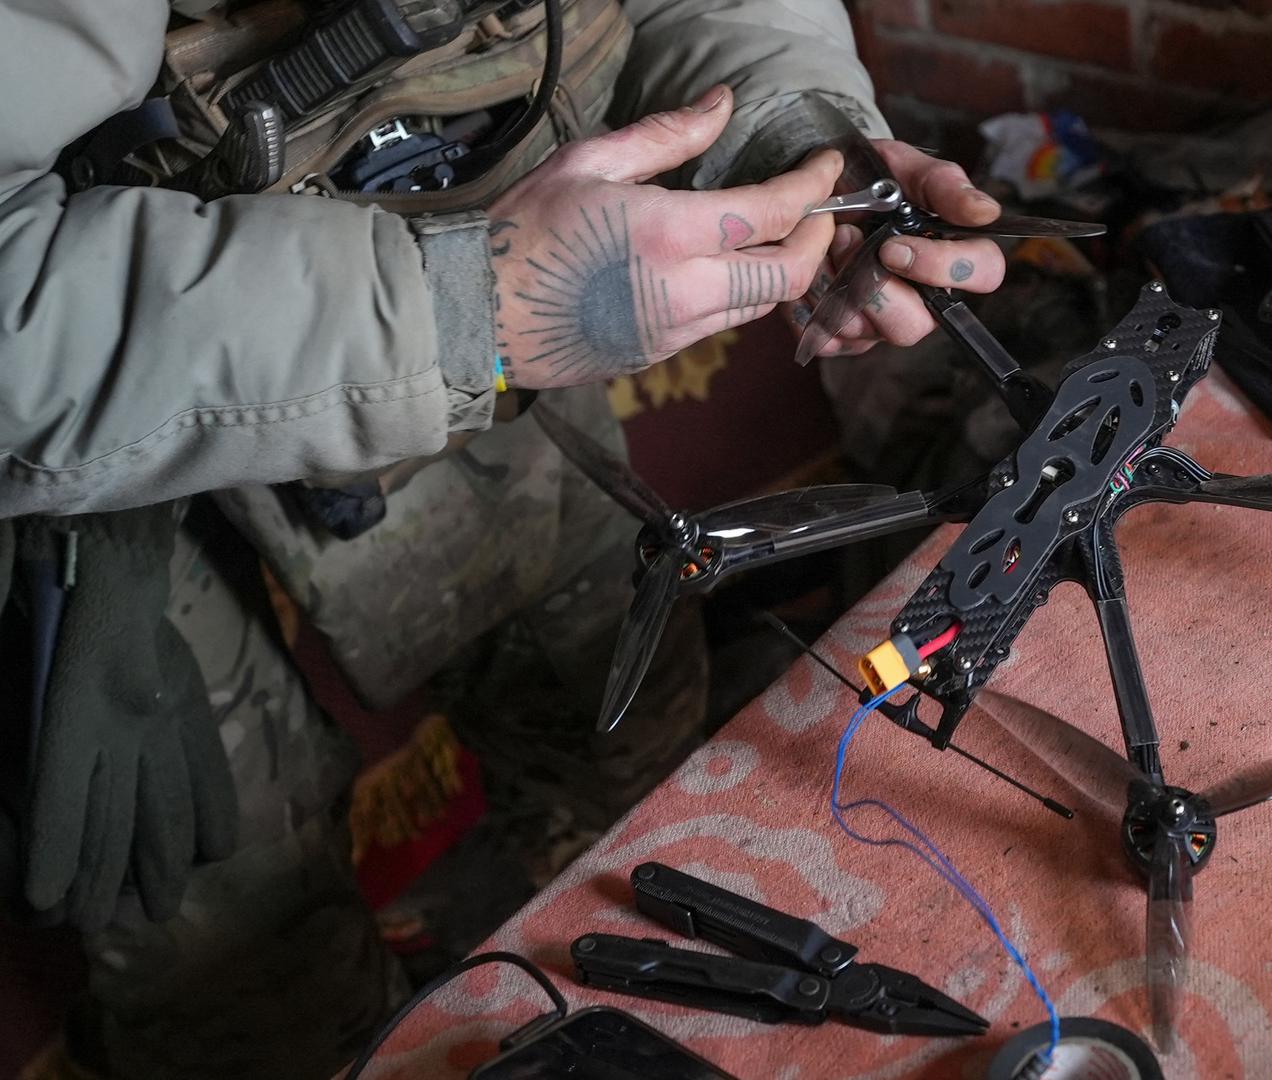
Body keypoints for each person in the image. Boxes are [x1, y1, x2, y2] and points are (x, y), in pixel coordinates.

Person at [0, 1, 1008, 1077]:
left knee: (641, 796)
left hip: (504, 291)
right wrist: (452, 311)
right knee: (250, 988)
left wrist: (788, 140)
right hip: (108, 454)